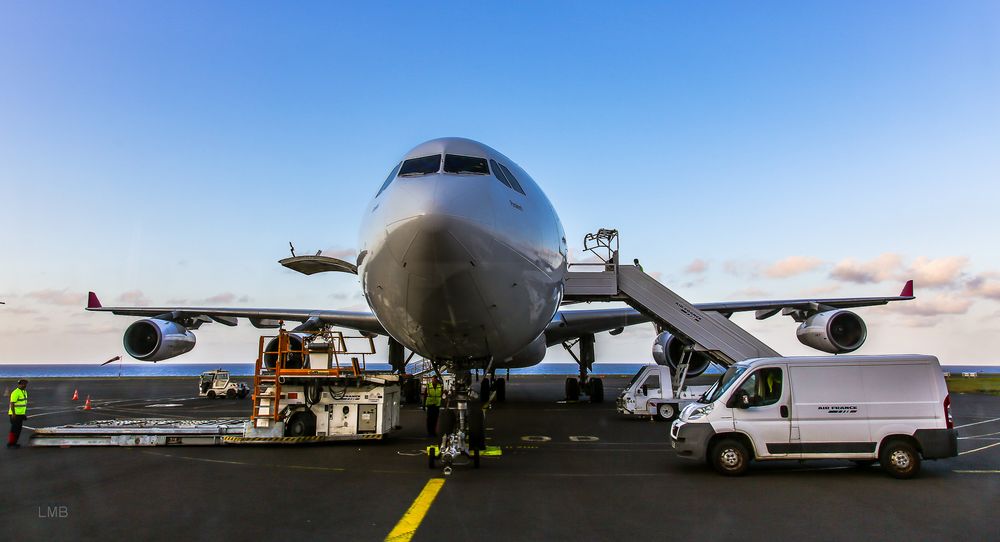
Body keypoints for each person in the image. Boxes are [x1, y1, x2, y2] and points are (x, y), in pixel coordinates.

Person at [8, 379, 28, 449]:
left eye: (25, 384)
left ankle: (14, 443)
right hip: (15, 414)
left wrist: (23, 415)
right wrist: (13, 414)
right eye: (23, 384)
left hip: (20, 414)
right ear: (19, 384)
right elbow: (12, 403)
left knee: (18, 430)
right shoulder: (15, 392)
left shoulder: (24, 392)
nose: (24, 385)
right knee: (14, 429)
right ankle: (10, 444)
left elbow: (23, 404)